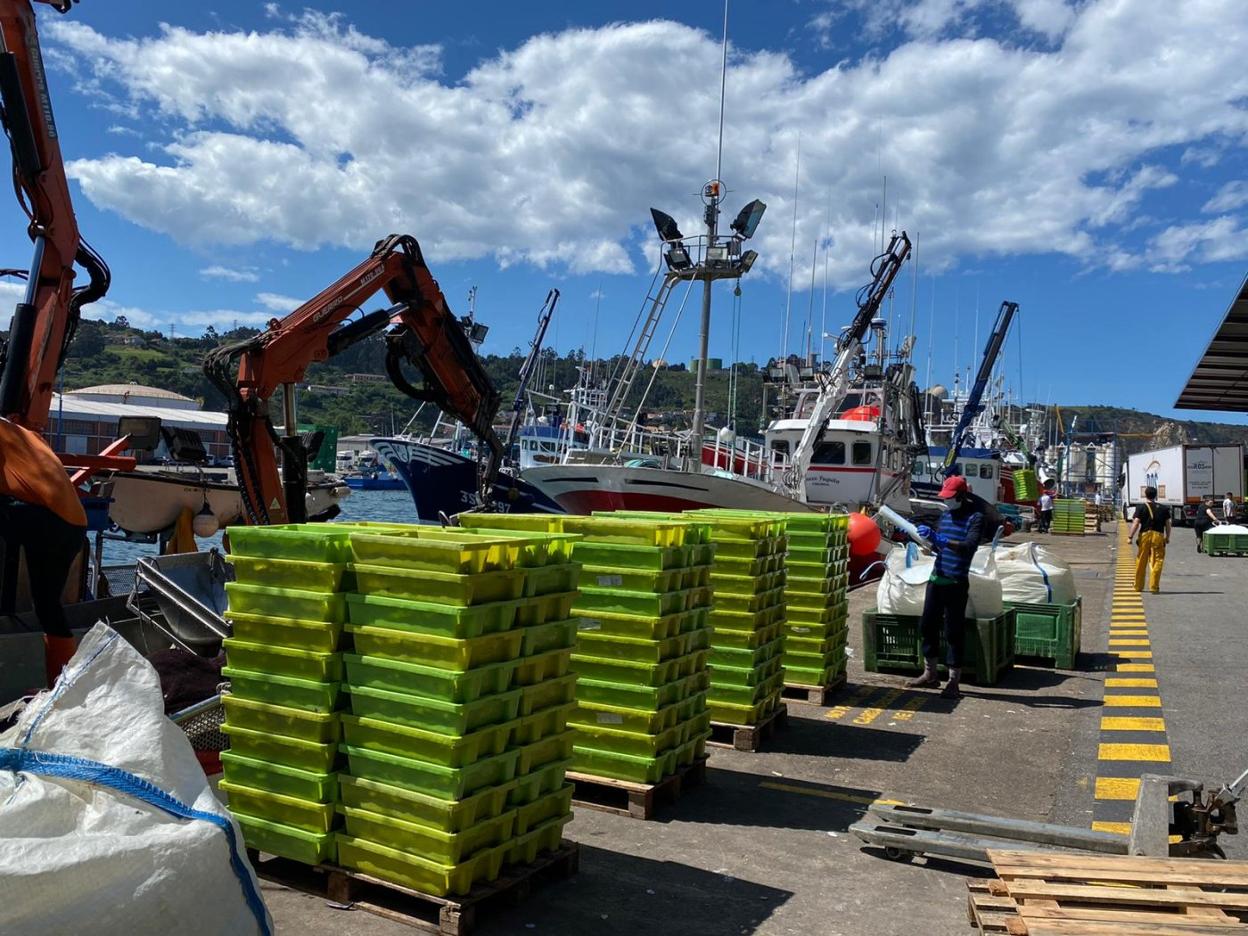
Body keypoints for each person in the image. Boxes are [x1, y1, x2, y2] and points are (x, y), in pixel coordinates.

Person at [0, 415, 87, 684]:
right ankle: (61, 685)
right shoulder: (19, 433)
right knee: (47, 606)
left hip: (49, 521)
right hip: (74, 525)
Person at [909, 474, 984, 699]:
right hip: (937, 578)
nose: (947, 501)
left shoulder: (976, 518)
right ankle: (930, 673)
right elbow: (935, 544)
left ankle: (953, 680)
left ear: (962, 496)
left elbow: (969, 546)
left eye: (951, 497)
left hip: (956, 582)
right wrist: (920, 536)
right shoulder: (946, 516)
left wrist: (942, 541)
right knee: (927, 626)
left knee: (953, 631)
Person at [1128, 485, 1171, 594]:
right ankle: (1154, 587)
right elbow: (1168, 524)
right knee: (1157, 561)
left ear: (1145, 495)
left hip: (1145, 535)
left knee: (1141, 560)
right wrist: (1167, 537)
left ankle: (1138, 586)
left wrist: (1130, 537)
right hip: (1158, 536)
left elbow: (1136, 523)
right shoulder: (1163, 508)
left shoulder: (1140, 507)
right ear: (1156, 495)